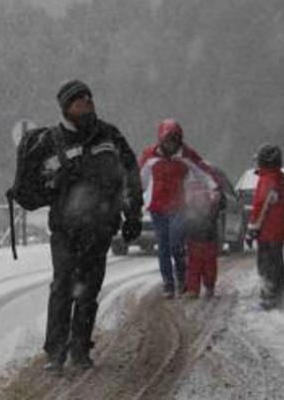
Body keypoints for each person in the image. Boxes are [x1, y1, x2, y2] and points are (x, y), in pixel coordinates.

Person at [35, 79, 143, 374]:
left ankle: (80, 349)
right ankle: (55, 353)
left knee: (88, 289)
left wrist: (134, 214)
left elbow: (130, 173)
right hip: (65, 229)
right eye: (79, 101)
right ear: (66, 108)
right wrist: (54, 182)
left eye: (89, 99)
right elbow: (37, 185)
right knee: (63, 287)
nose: (87, 104)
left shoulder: (109, 134)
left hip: (101, 228)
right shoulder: (51, 141)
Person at [138, 119, 220, 299]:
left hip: (178, 206)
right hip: (157, 207)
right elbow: (140, 178)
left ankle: (182, 278)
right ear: (161, 140)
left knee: (176, 244)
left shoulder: (186, 155)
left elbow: (203, 171)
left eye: (175, 141)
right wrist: (137, 196)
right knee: (163, 247)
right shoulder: (150, 156)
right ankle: (168, 283)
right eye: (168, 141)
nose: (171, 145)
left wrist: (214, 188)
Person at [246, 143, 284, 310]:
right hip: (278, 230)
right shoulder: (281, 178)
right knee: (277, 264)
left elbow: (260, 206)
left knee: (266, 265)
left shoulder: (267, 180)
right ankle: (280, 297)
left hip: (267, 231)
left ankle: (268, 299)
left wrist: (252, 230)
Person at [183, 175, 222, 299]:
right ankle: (209, 287)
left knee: (194, 264)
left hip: (194, 233)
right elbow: (220, 205)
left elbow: (182, 209)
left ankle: (193, 289)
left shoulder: (187, 188)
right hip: (209, 234)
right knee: (209, 263)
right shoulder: (212, 187)